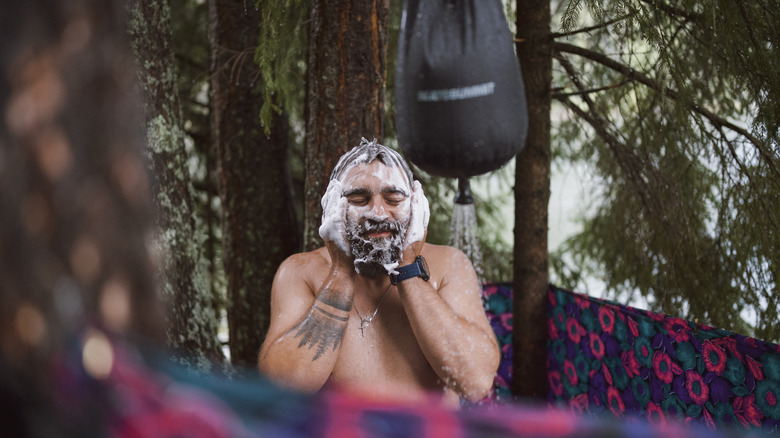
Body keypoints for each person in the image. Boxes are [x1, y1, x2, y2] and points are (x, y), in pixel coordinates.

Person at [258, 138, 499, 407]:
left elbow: (475, 383)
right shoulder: (301, 272)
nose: (378, 213)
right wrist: (341, 272)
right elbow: (283, 387)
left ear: (416, 205)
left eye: (393, 198)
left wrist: (408, 268)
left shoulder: (449, 265)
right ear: (333, 207)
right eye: (359, 199)